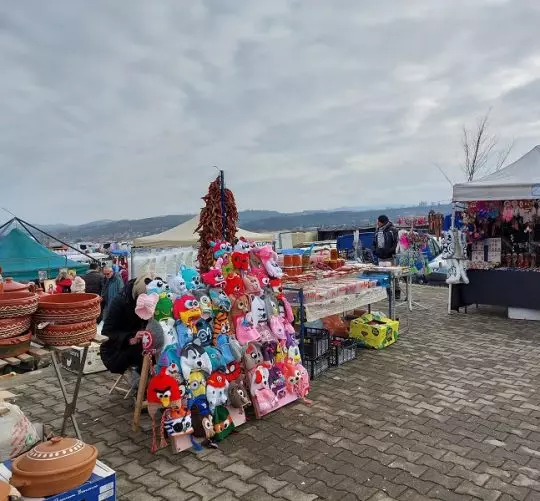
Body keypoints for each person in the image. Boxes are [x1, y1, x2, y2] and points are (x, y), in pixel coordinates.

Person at [100, 274, 151, 375]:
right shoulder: (119, 301)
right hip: (115, 351)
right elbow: (106, 334)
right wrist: (130, 338)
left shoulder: (147, 300)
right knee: (146, 355)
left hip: (137, 345)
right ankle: (145, 381)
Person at [373, 215, 401, 299]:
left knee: (393, 274)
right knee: (383, 276)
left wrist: (390, 251)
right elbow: (374, 243)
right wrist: (375, 251)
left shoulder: (393, 230)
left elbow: (396, 243)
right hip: (380, 257)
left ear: (382, 222)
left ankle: (397, 291)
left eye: (378, 221)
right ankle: (388, 292)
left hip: (390, 257)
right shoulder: (377, 231)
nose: (377, 223)